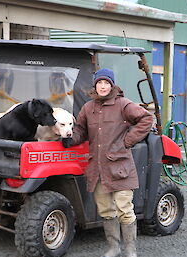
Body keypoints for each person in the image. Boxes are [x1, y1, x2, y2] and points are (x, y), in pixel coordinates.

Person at [62, 68, 153, 257]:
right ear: (95, 85)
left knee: (124, 210)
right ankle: (113, 248)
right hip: (98, 168)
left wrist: (127, 141)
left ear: (112, 85)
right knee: (106, 210)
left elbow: (146, 118)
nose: (103, 86)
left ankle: (130, 251)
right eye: (100, 83)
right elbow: (80, 130)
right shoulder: (88, 108)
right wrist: (70, 138)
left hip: (120, 167)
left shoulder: (123, 104)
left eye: (106, 83)